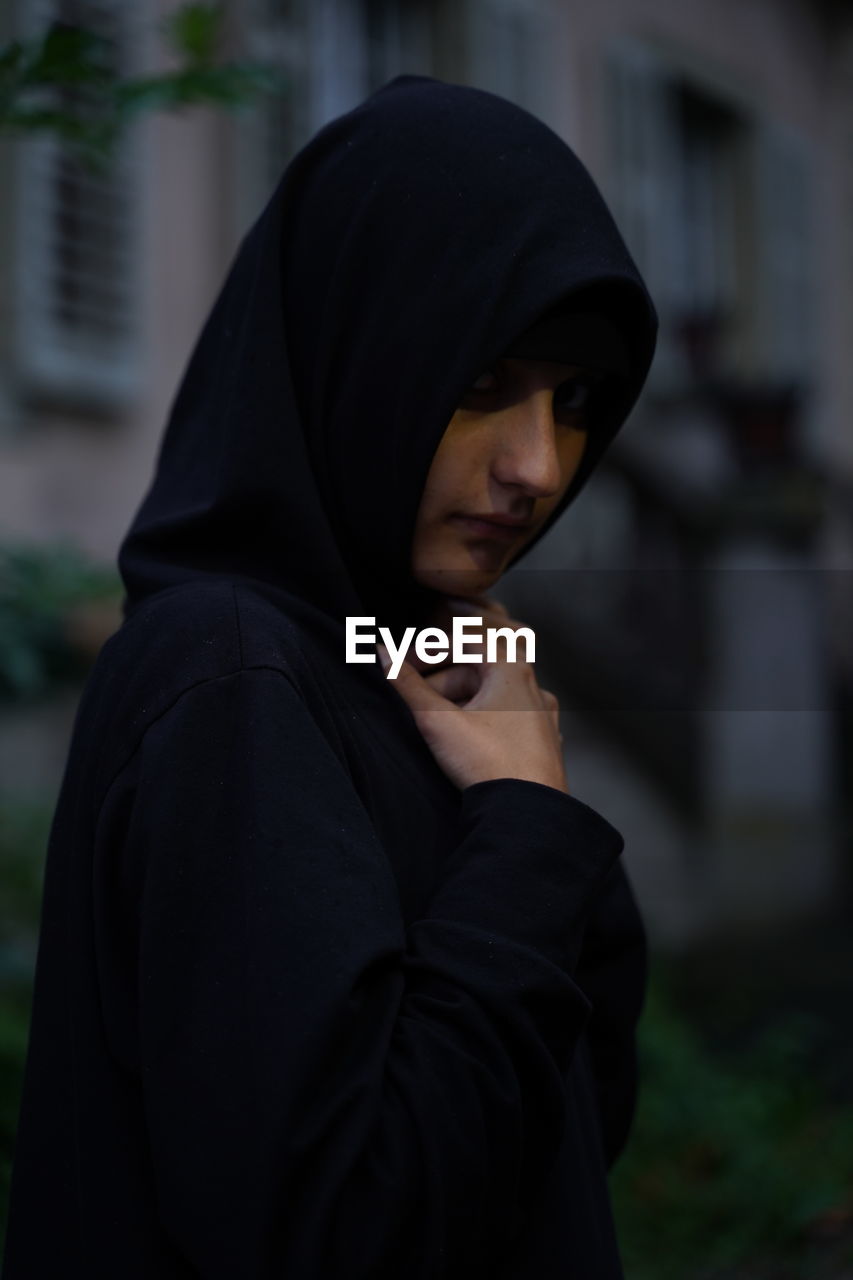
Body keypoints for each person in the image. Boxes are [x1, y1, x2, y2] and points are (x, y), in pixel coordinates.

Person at [2, 76, 657, 1277]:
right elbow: (344, 1225)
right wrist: (528, 833)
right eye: (480, 385)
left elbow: (559, 1127)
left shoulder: (399, 664)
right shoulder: (233, 674)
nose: (537, 467)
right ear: (353, 352)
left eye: (572, 404)